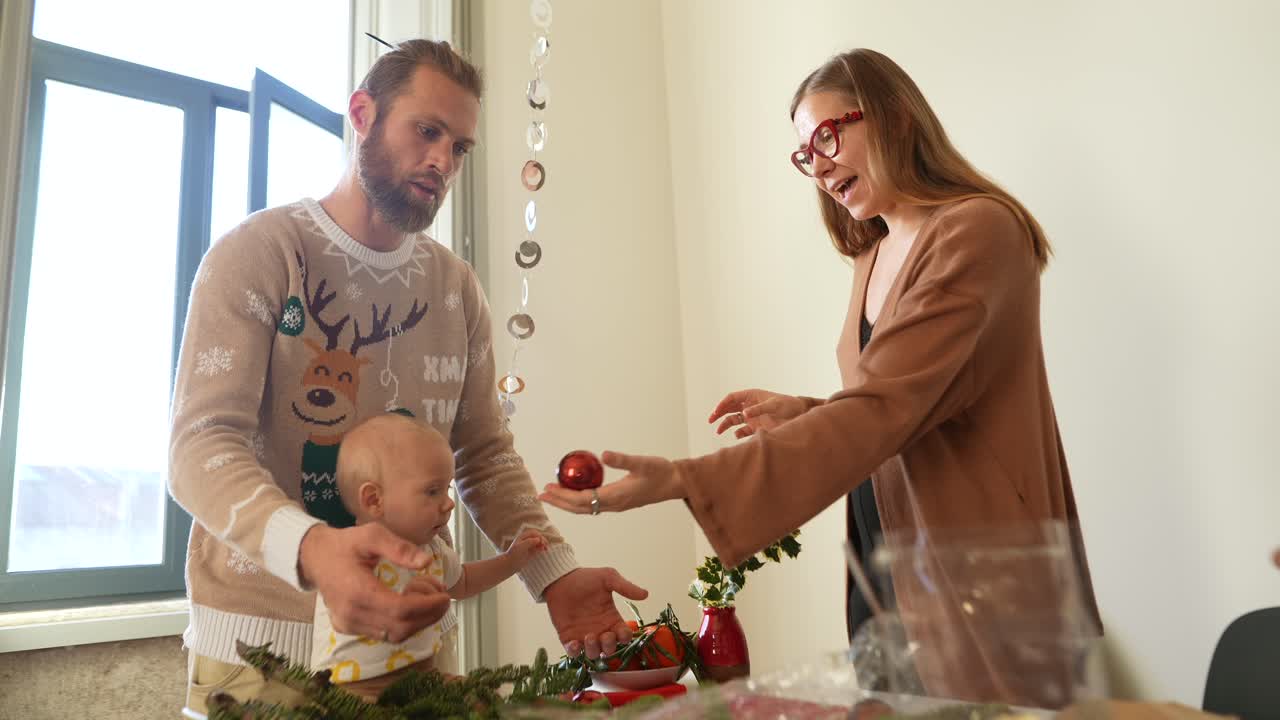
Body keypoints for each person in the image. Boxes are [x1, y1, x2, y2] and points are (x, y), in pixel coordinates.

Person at [540, 48, 1100, 708]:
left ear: (893, 117)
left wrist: (686, 478)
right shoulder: (872, 253)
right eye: (807, 153)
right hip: (889, 572)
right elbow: (910, 400)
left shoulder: (977, 231)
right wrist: (812, 412)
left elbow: (888, 404)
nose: (820, 163)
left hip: (980, 574)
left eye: (829, 135)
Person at [169, 38, 644, 713]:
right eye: (427, 131)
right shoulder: (260, 255)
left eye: (459, 147)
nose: (441, 162)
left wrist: (555, 574)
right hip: (262, 655)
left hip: (417, 652)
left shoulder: (456, 289)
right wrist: (314, 550)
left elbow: (482, 457)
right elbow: (199, 445)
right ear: (361, 114)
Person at [312, 413, 548, 700]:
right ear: (374, 500)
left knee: (485, 699)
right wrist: (402, 601)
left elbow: (462, 582)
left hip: (422, 681)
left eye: (447, 488)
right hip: (356, 688)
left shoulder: (433, 549)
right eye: (432, 491)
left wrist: (512, 561)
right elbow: (346, 611)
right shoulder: (351, 553)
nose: (448, 503)